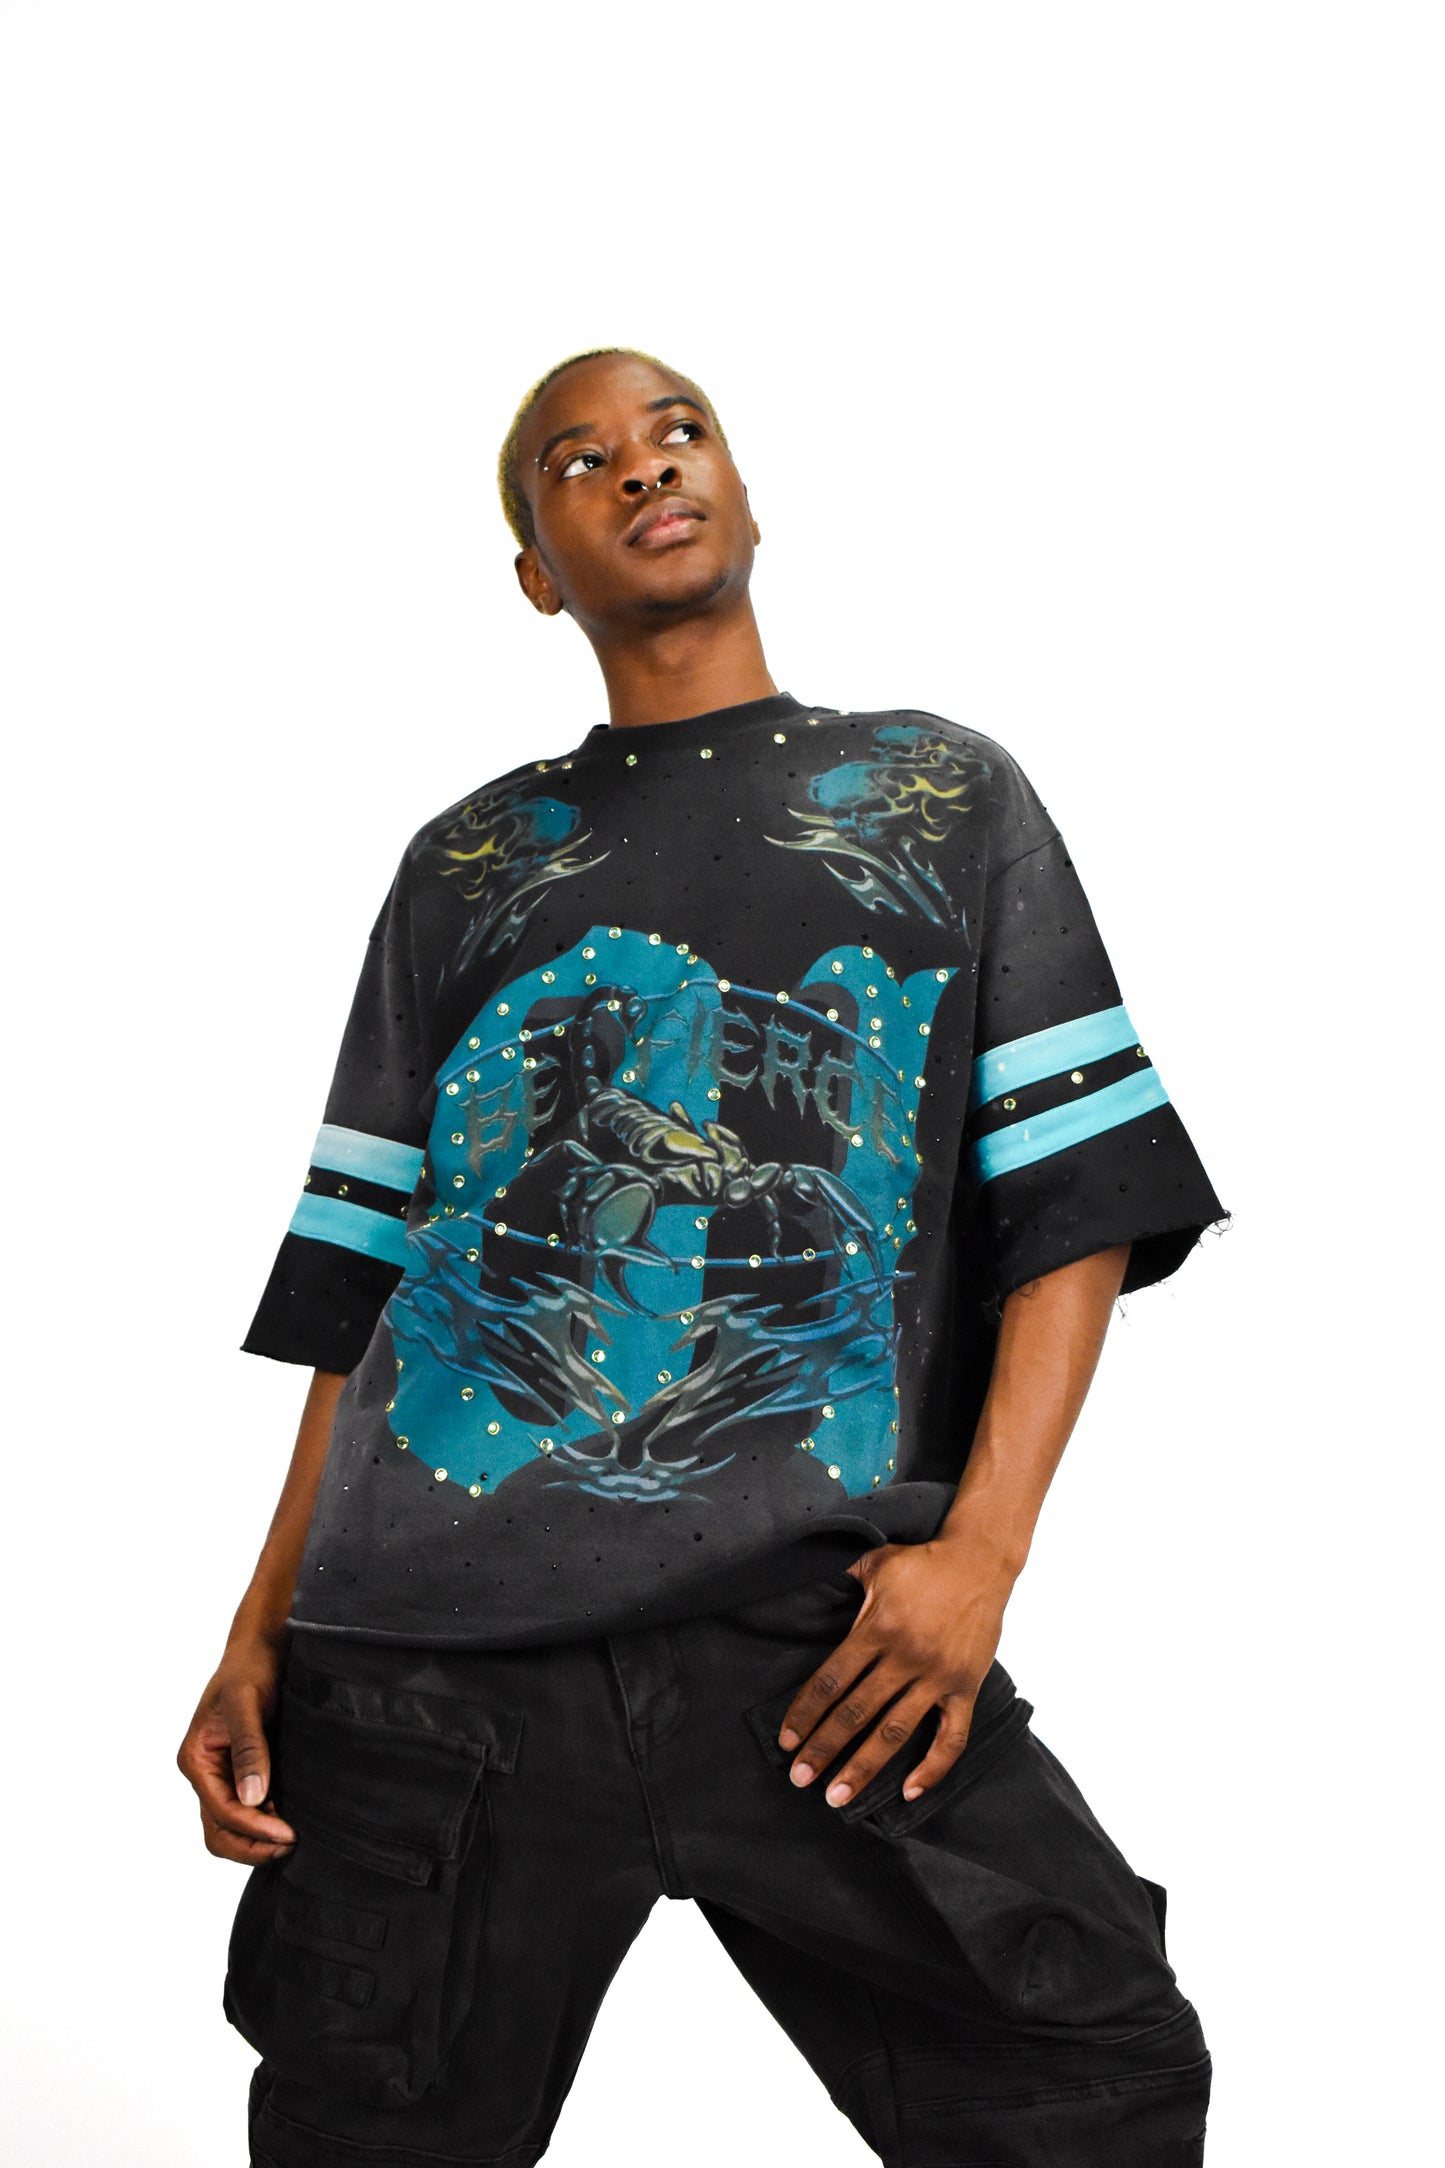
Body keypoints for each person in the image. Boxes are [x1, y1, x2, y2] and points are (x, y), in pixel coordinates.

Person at [179, 346, 1227, 2166]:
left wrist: (980, 1557)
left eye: (678, 432)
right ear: (536, 569)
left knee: (1092, 2084)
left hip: (816, 1644)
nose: (643, 468)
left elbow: (1081, 1197)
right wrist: (253, 1631)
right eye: (577, 459)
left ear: (743, 491)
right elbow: (367, 1285)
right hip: (433, 1669)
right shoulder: (466, 863)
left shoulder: (935, 794)